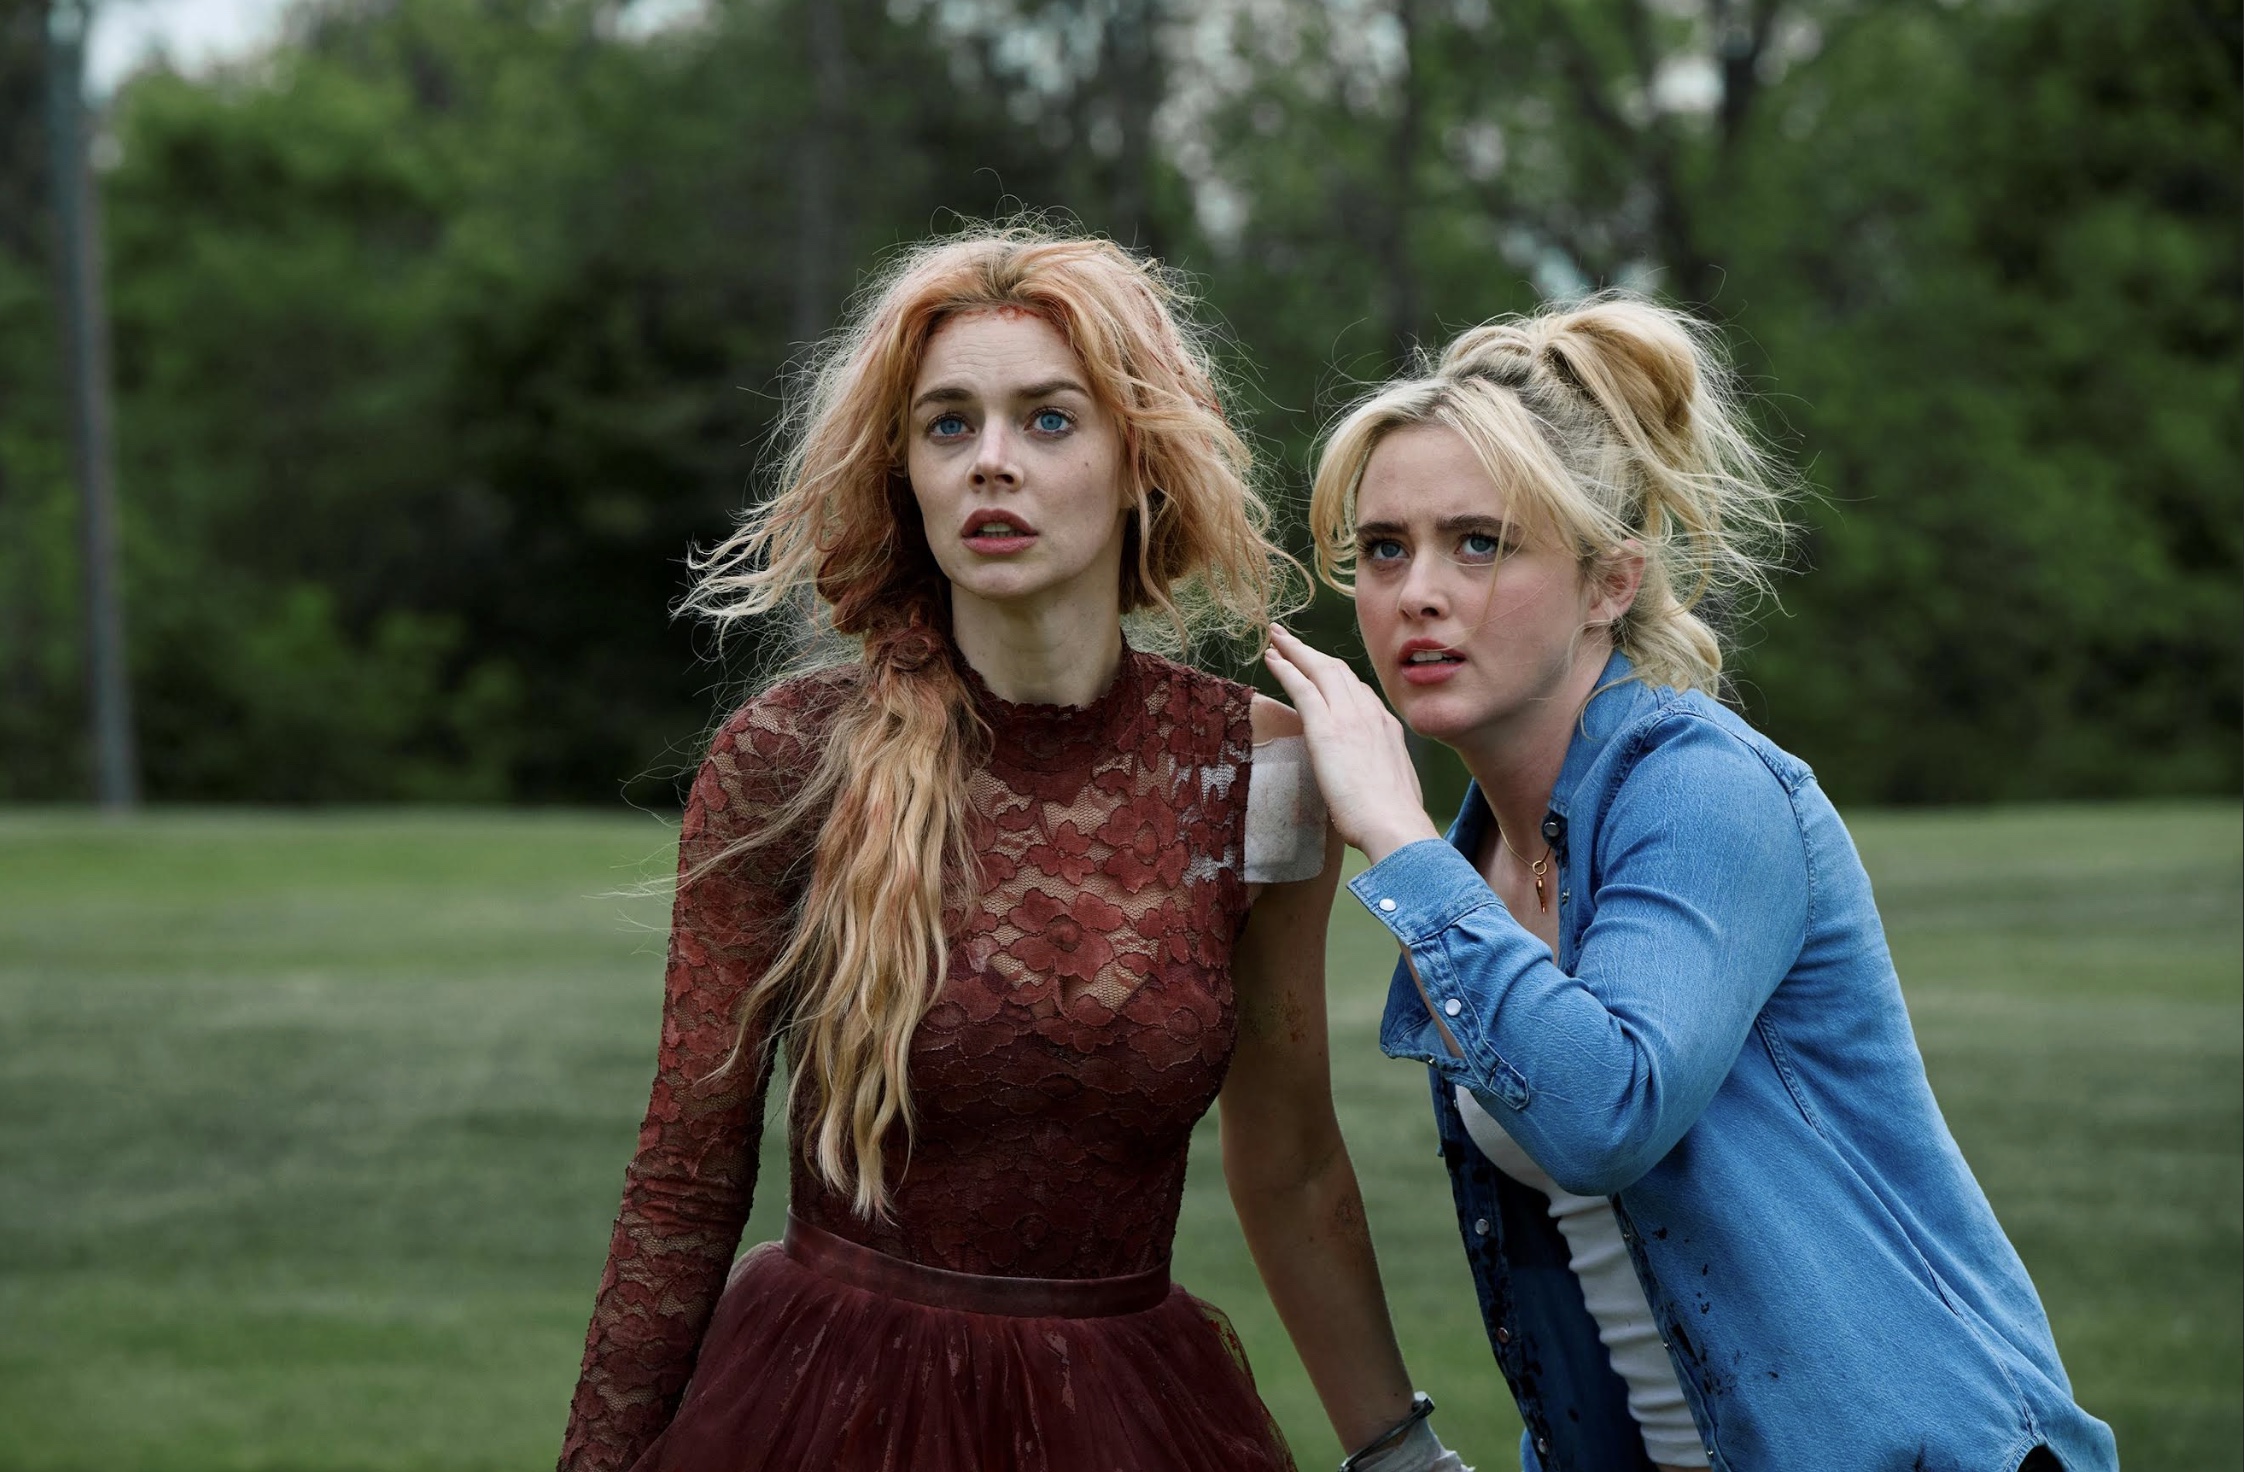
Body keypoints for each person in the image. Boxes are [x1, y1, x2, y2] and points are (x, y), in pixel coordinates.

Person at [557, 228, 1465, 1472]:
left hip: (1129, 1416)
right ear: (905, 474)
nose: (992, 460)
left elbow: (1295, 1158)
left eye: (1047, 419)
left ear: (1138, 461)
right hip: (825, 1410)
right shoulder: (789, 755)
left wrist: (1400, 1452)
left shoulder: (1254, 768)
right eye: (949, 424)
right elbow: (685, 1170)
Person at [1262, 295, 2119, 1472]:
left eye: (1481, 542)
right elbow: (1592, 1279)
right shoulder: (1483, 857)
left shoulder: (1701, 788)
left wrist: (1398, 841)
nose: (1417, 591)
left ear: (1610, 581)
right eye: (1383, 549)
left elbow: (1603, 1112)